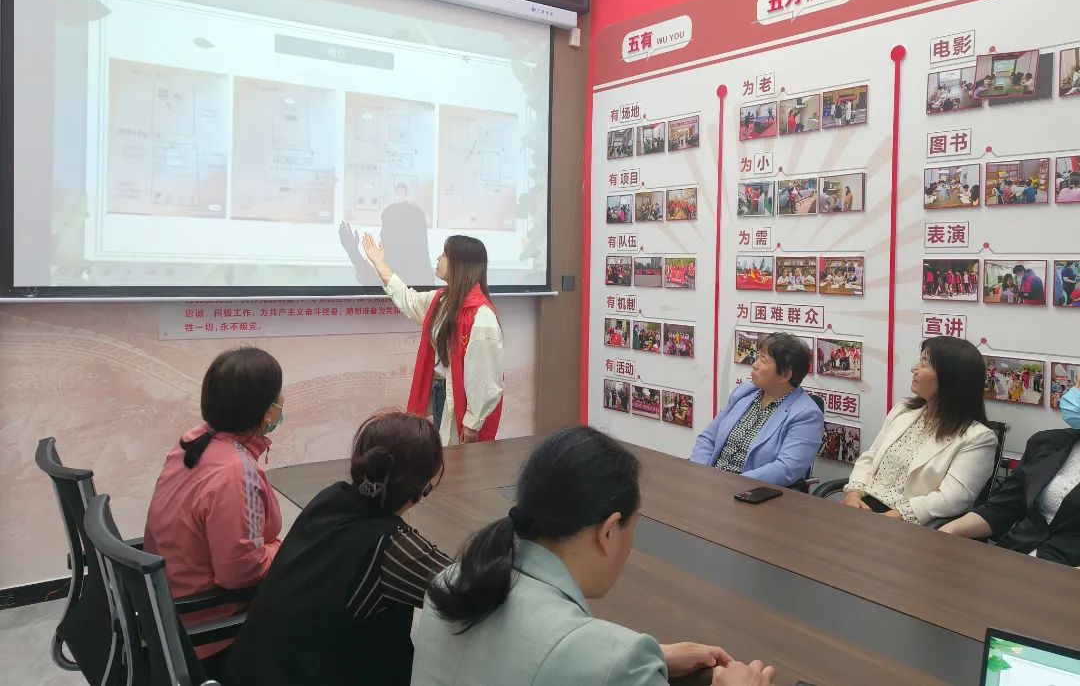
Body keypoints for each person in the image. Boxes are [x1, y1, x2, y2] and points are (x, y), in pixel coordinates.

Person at [412, 426, 775, 685]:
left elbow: (517, 656)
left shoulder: (452, 583)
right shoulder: (612, 661)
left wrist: (650, 656)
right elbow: (575, 657)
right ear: (609, 530)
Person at [227, 411, 450, 686]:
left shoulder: (330, 499)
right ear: (421, 487)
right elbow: (469, 587)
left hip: (253, 670)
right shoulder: (389, 546)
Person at [143, 348, 286, 675]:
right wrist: (282, 547)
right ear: (267, 411)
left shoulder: (193, 442)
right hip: (207, 631)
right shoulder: (234, 472)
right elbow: (241, 574)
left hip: (169, 607)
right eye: (279, 395)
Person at [343, 224, 503, 446]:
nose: (438, 258)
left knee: (459, 458)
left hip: (461, 401)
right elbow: (408, 299)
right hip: (441, 392)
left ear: (460, 264)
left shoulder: (482, 316)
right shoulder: (442, 300)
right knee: (442, 452)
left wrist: (473, 422)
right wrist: (379, 262)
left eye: (444, 255)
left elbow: (486, 377)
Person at [841, 337, 997, 524]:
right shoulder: (903, 410)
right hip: (864, 507)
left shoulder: (978, 438)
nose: (914, 369)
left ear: (950, 377)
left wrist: (891, 517)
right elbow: (870, 457)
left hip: (909, 523)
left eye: (924, 364)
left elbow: (952, 499)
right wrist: (853, 494)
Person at [940, 386, 1080, 566]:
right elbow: (1003, 507)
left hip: (1065, 571)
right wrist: (948, 531)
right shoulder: (1047, 443)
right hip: (1014, 556)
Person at [690, 333, 822, 487]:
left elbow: (786, 469)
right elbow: (708, 438)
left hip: (750, 491)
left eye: (763, 360)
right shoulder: (743, 392)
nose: (755, 364)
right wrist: (701, 472)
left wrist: (730, 484)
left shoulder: (807, 415)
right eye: (758, 357)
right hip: (710, 482)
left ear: (785, 375)